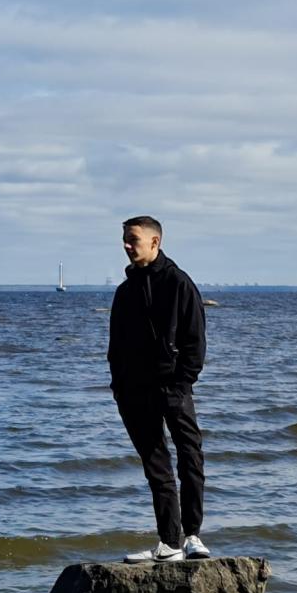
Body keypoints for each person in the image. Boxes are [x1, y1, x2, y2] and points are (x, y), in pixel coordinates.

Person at [108, 215, 209, 563]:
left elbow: (195, 342)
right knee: (157, 468)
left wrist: (181, 384)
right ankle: (169, 542)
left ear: (154, 242)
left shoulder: (179, 283)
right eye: (124, 239)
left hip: (174, 390)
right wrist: (119, 388)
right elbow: (116, 346)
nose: (126, 245)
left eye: (133, 239)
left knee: (190, 458)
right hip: (135, 393)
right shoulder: (125, 292)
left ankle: (193, 536)